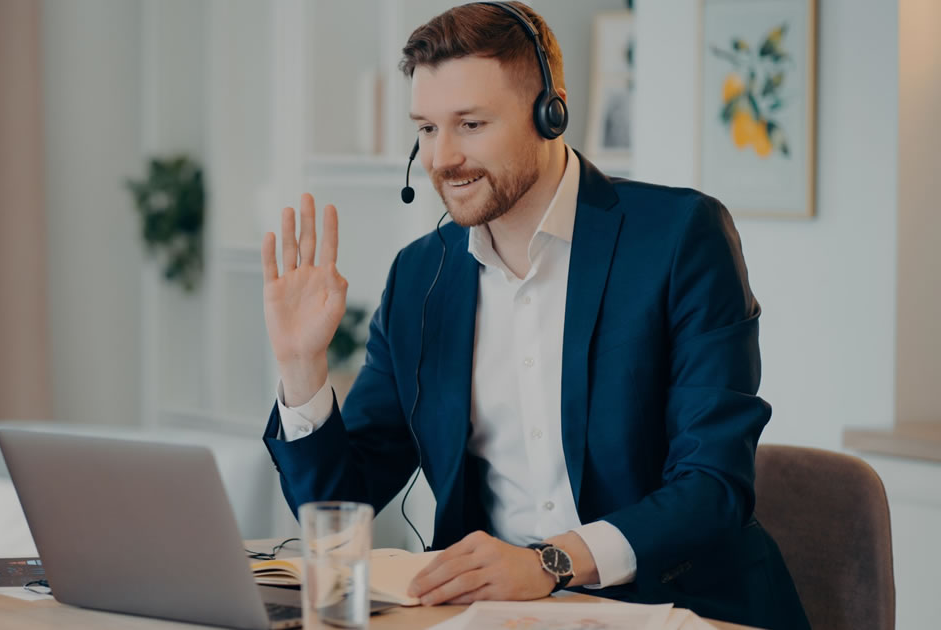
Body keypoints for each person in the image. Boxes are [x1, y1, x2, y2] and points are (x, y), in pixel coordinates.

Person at [258, 3, 808, 628]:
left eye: (470, 124)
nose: (441, 159)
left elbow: (713, 486)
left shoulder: (681, 238)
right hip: (493, 617)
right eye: (427, 129)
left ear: (552, 112)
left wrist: (550, 562)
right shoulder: (420, 277)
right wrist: (302, 367)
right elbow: (339, 511)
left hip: (680, 608)